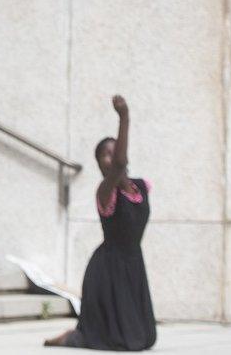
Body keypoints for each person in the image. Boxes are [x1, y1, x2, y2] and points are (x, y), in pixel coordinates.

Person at [45, 95, 156, 350]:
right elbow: (119, 165)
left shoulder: (140, 187)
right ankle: (69, 337)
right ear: (99, 164)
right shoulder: (105, 191)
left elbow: (121, 163)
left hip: (133, 264)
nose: (111, 156)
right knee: (122, 342)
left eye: (114, 150)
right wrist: (124, 117)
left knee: (145, 339)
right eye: (104, 155)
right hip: (108, 269)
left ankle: (77, 333)